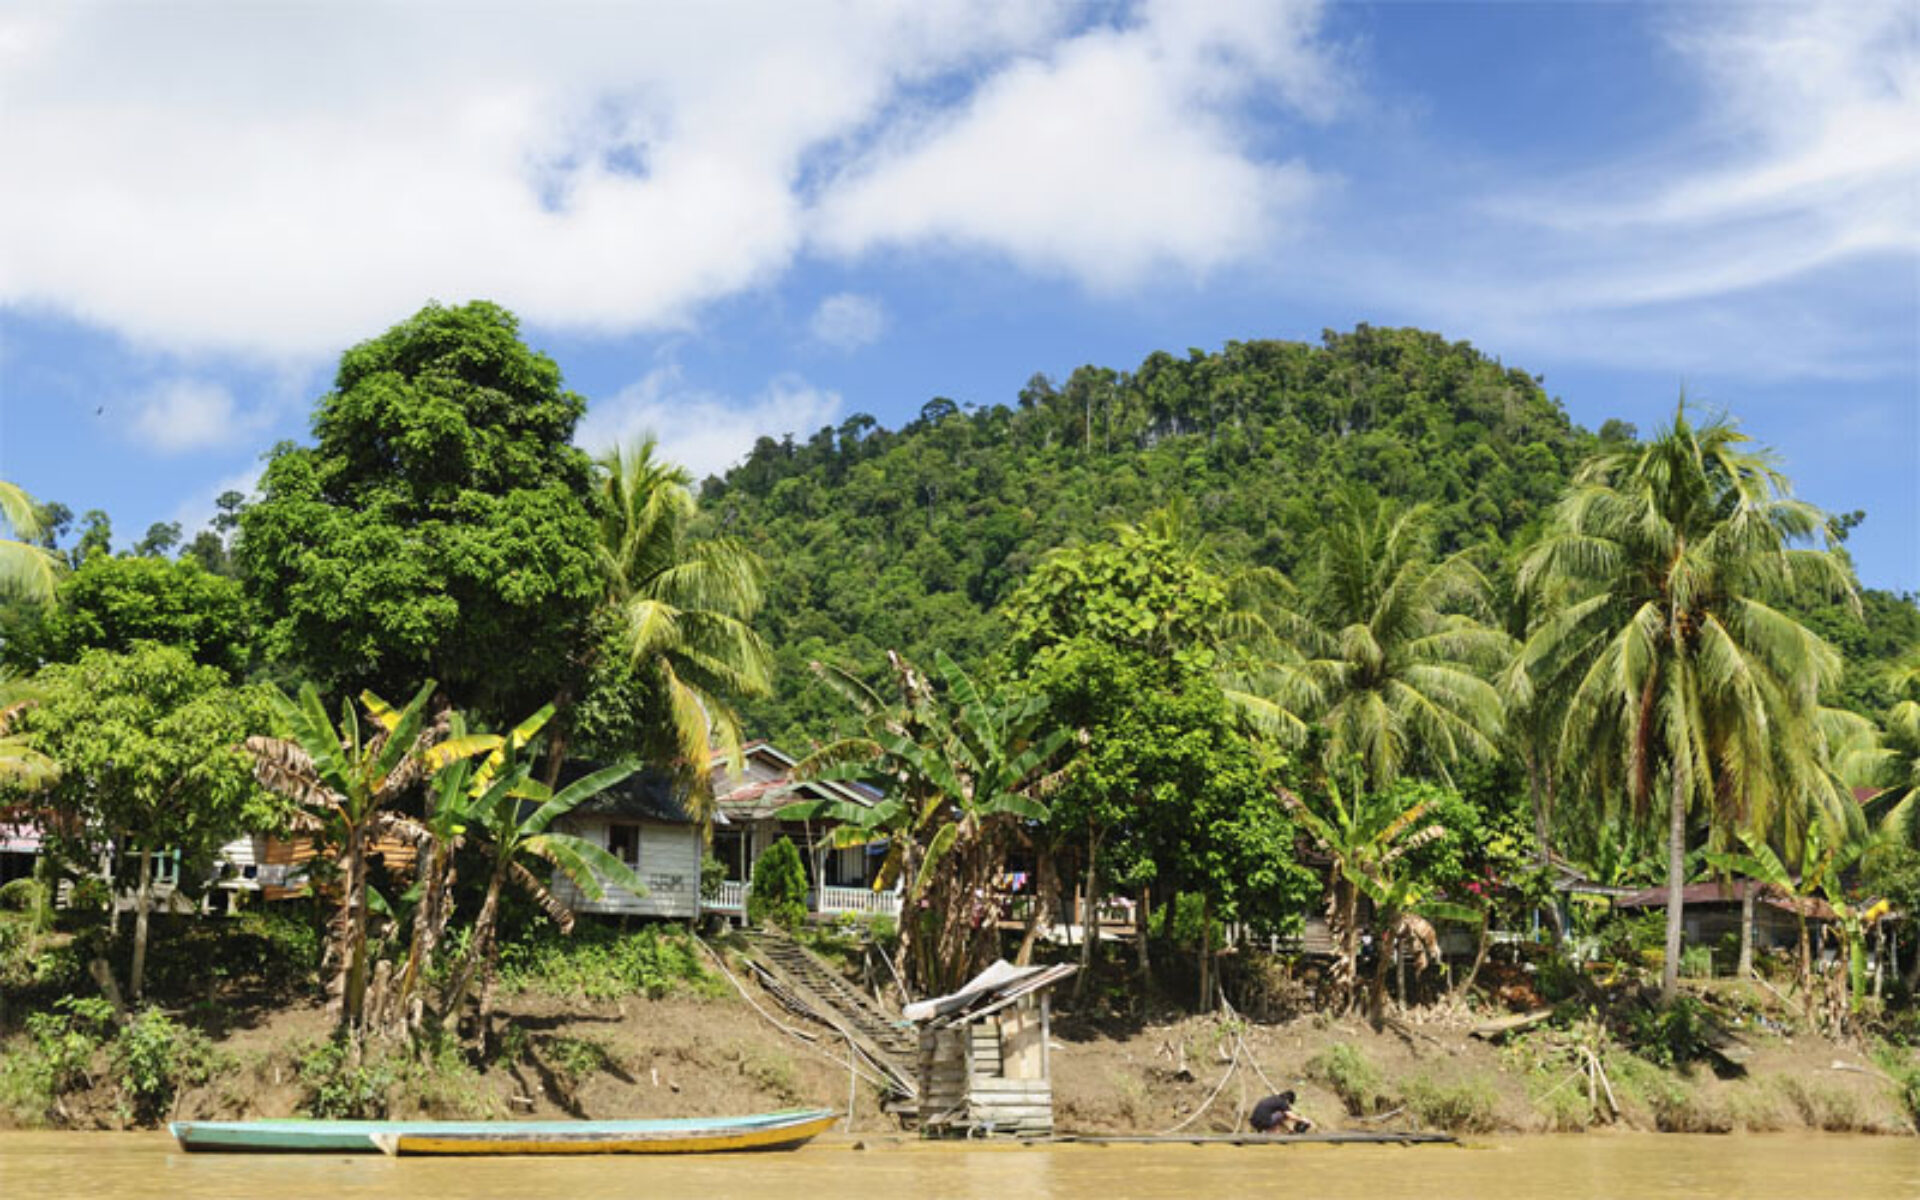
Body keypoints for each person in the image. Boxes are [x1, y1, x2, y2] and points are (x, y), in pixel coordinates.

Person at [1249, 1090, 1315, 1134]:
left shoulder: (1274, 1099)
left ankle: (1276, 1131)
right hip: (1263, 1122)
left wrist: (1289, 1128)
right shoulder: (1282, 1102)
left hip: (1254, 1122)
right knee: (1283, 1114)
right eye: (1289, 1104)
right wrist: (1302, 1119)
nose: (1288, 1105)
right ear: (1288, 1100)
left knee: (1280, 1115)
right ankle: (1274, 1132)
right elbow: (1290, 1116)